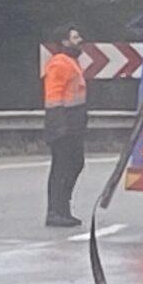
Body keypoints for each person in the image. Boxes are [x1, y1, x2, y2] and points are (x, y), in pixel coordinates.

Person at [41, 26, 89, 228]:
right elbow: (54, 96)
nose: (80, 39)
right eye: (75, 37)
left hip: (72, 125)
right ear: (64, 41)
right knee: (62, 168)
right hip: (64, 125)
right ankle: (55, 212)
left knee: (74, 164)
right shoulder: (60, 63)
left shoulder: (71, 61)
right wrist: (59, 126)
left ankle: (63, 210)